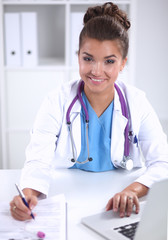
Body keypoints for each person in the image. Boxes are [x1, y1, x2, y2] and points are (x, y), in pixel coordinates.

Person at [10, 2, 168, 221]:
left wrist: (133, 190)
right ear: (78, 57)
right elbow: (37, 160)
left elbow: (163, 162)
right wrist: (27, 196)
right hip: (68, 200)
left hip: (115, 206)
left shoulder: (137, 102)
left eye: (109, 61)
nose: (96, 70)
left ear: (123, 63)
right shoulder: (57, 101)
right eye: (88, 58)